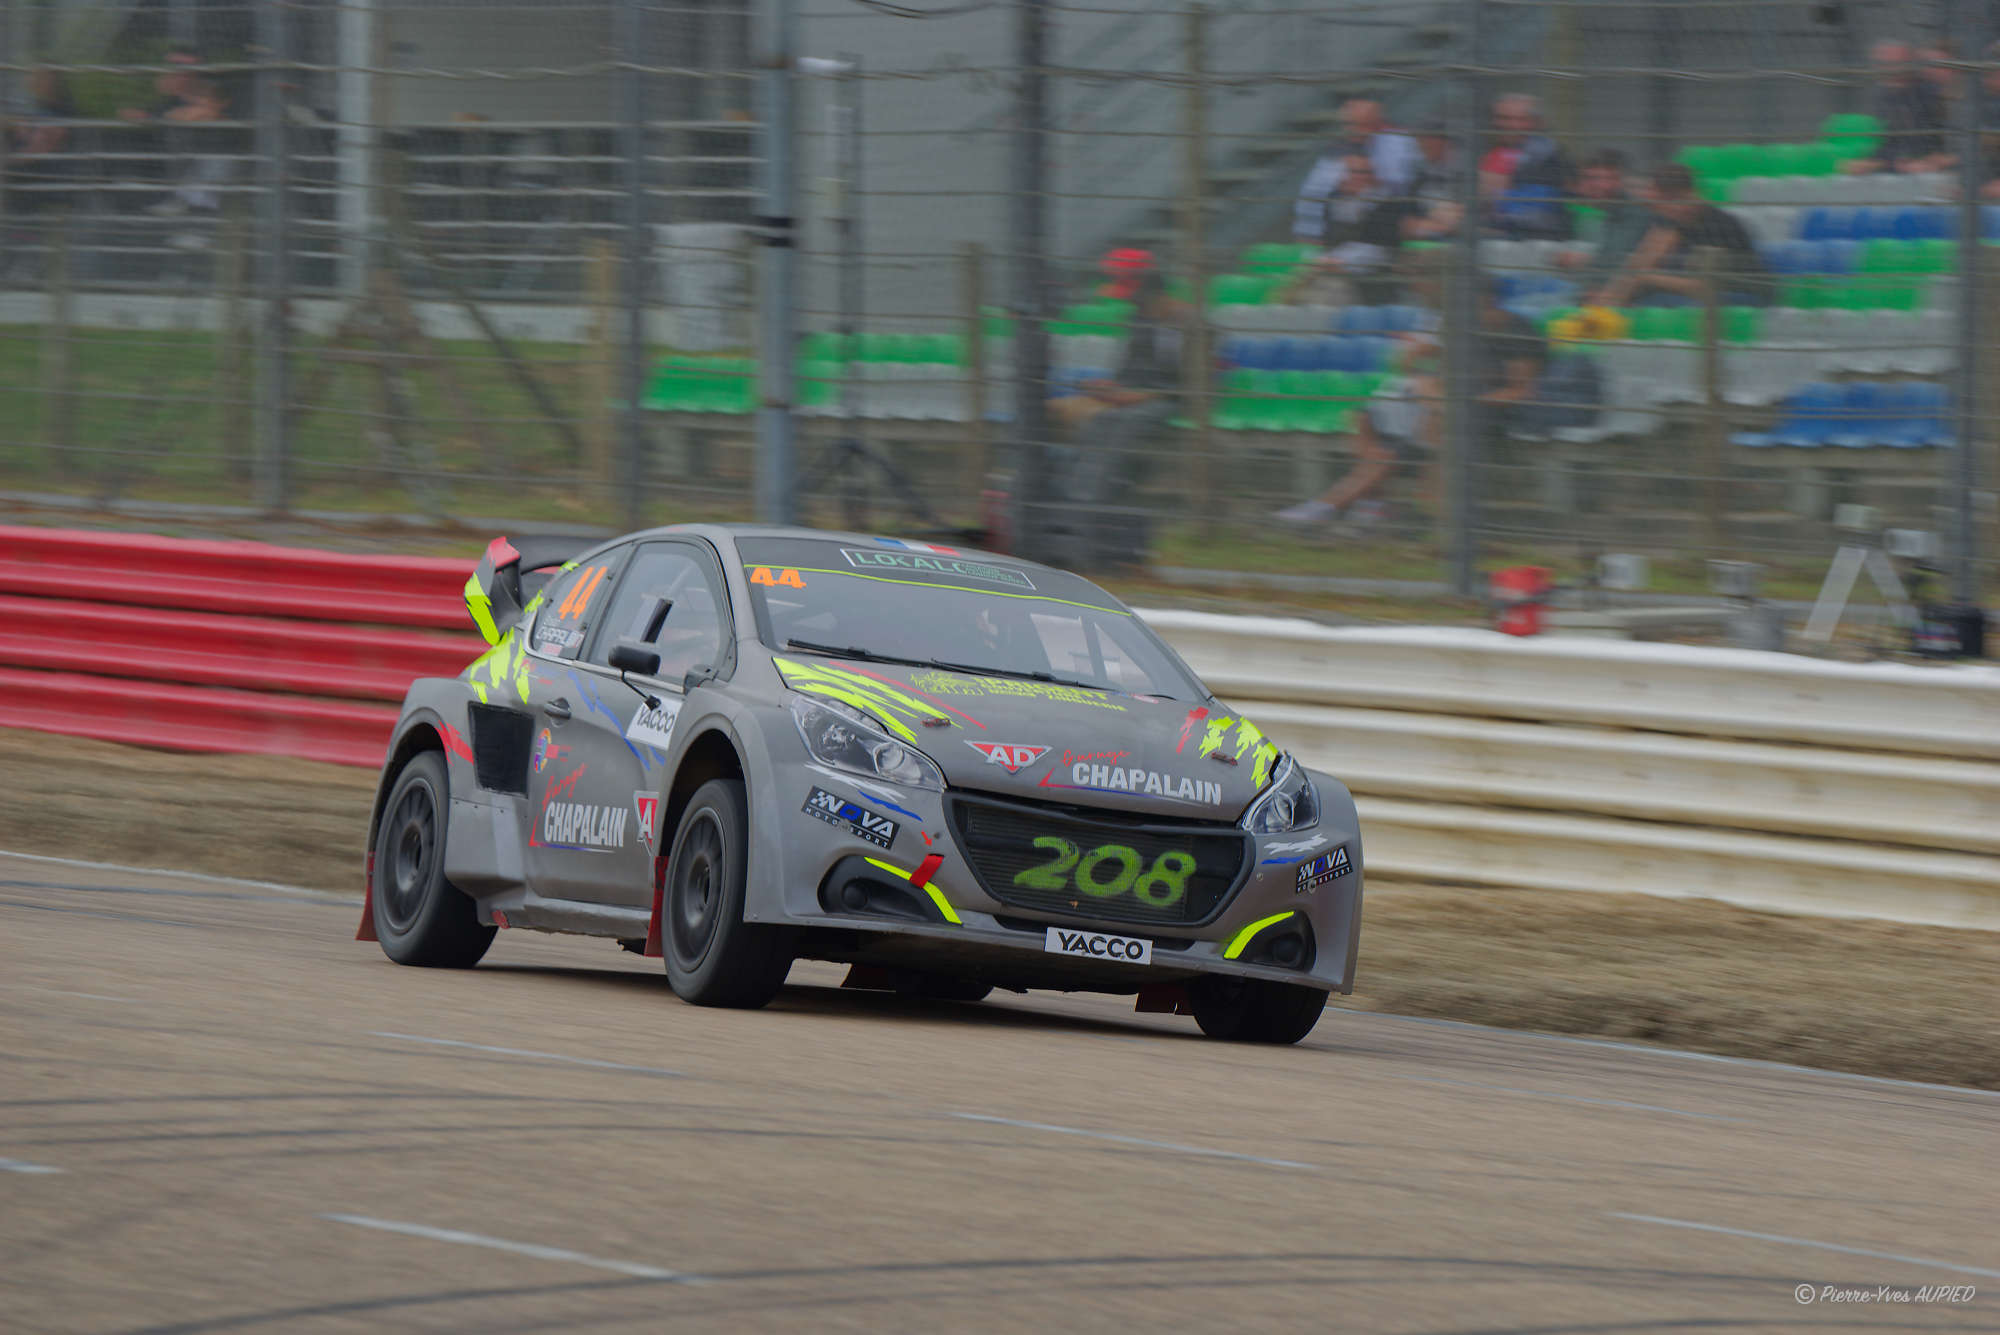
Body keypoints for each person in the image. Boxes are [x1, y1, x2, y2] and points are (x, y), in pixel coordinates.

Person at [1273, 278, 1545, 530]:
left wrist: (1464, 401)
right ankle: (1369, 502)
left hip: (1484, 411)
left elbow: (1521, 391)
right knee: (1363, 417)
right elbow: (1416, 362)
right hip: (1443, 403)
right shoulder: (1461, 327)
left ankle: (1328, 507)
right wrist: (1422, 375)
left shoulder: (1517, 331)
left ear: (1486, 300)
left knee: (1402, 443)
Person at [1054, 261, 1187, 572]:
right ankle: (1073, 493)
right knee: (1090, 416)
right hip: (1136, 397)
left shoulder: (1194, 327)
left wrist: (1141, 396)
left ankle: (1090, 497)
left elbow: (1192, 385)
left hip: (1173, 401)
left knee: (1117, 420)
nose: (1136, 308)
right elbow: (1129, 370)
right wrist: (1112, 388)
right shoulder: (1141, 321)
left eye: (1141, 302)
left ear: (1159, 297)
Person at [1590, 163, 1769, 308]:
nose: (1655, 212)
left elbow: (1704, 287)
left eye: (1657, 205)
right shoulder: (1671, 221)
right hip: (1693, 292)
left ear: (1677, 198)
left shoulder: (1720, 226)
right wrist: (1605, 300)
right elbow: (1638, 264)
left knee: (1657, 303)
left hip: (1740, 294)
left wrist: (1646, 278)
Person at [1293, 99, 1421, 244]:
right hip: (1329, 223)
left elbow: (1399, 186)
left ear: (1377, 123)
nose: (1355, 131)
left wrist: (1368, 178)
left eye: (1364, 125)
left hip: (1389, 214)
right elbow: (1316, 192)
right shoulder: (1339, 148)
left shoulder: (1395, 141)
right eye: (1350, 124)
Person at [1296, 154, 1418, 305]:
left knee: (1325, 292)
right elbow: (1329, 240)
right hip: (1333, 267)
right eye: (1347, 172)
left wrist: (1340, 262)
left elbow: (1383, 249)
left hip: (1369, 275)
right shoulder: (1334, 199)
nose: (1351, 177)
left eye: (1360, 172)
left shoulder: (1387, 203)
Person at [1843, 40, 1952, 175]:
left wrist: (1921, 161)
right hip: (1906, 166)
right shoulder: (1884, 96)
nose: (1888, 70)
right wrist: (1870, 162)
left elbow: (1933, 143)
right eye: (1882, 64)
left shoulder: (1928, 93)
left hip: (1936, 166)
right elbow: (1888, 143)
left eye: (1894, 63)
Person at [1481, 93, 1571, 239]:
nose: (1509, 125)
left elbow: (1539, 210)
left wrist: (1495, 196)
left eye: (1519, 119)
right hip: (1498, 234)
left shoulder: (1548, 155)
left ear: (1536, 123)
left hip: (1535, 238)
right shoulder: (1492, 151)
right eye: (1502, 118)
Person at [1557, 149, 1652, 286]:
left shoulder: (1635, 212)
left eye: (1609, 178)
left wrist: (1584, 261)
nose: (1599, 185)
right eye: (1590, 178)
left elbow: (1617, 261)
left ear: (1622, 180)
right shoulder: (1613, 212)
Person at [2, 67, 76, 215]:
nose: (31, 81)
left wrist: (8, 161)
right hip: (28, 177)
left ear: (53, 82)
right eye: (33, 76)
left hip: (43, 180)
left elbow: (38, 148)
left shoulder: (60, 111)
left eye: (39, 77)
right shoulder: (37, 106)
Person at [1403, 117, 1466, 241]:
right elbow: (1408, 225)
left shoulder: (1465, 174)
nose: (1421, 145)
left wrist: (1427, 226)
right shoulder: (1420, 176)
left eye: (1425, 139)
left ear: (1443, 141)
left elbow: (1464, 221)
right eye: (1419, 139)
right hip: (1428, 242)